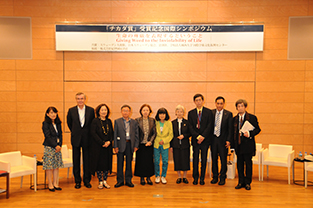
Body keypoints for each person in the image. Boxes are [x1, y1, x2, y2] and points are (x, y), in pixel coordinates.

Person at [66, 92, 95, 189]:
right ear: (76, 100)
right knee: (76, 160)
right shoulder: (71, 110)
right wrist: (76, 132)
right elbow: (69, 123)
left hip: (87, 138)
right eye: (78, 99)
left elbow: (92, 124)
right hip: (76, 138)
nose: (80, 100)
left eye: (82, 98)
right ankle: (77, 181)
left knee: (87, 160)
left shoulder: (91, 110)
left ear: (85, 99)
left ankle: (87, 180)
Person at [232, 99, 261, 191]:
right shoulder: (234, 119)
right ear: (236, 108)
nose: (240, 108)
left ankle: (248, 182)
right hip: (238, 145)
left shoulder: (252, 118)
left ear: (245, 107)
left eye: (242, 106)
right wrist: (232, 146)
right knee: (239, 164)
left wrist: (249, 133)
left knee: (248, 164)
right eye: (238, 106)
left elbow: (257, 130)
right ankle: (241, 182)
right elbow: (232, 133)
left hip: (248, 146)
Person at [188, 93, 213, 185]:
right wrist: (197, 136)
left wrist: (203, 136)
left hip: (205, 140)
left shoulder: (208, 112)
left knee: (203, 160)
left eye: (200, 100)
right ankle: (195, 177)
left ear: (203, 101)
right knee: (195, 160)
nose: (198, 102)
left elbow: (210, 126)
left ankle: (202, 178)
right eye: (196, 100)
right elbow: (190, 127)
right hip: (195, 140)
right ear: (194, 102)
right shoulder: (191, 113)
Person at [114, 105, 139, 188]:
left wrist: (136, 145)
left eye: (127, 111)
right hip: (120, 144)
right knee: (119, 164)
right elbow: (115, 134)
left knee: (129, 163)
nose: (125, 112)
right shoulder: (117, 121)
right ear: (121, 112)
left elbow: (136, 135)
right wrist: (115, 146)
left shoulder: (134, 122)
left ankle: (128, 180)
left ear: (130, 112)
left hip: (130, 144)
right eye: (124, 111)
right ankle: (120, 181)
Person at [210, 96, 233, 186]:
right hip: (213, 139)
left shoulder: (228, 114)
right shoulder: (211, 113)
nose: (219, 105)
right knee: (214, 159)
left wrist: (228, 140)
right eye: (218, 103)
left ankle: (223, 177)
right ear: (215, 103)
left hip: (223, 140)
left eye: (221, 103)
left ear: (224, 104)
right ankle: (215, 176)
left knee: (223, 160)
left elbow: (230, 129)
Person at [90, 104, 113, 189]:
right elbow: (93, 133)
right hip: (98, 147)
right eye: (102, 110)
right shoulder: (95, 121)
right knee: (99, 164)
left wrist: (109, 142)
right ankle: (100, 181)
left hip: (108, 147)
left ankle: (105, 181)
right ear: (98, 111)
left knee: (106, 164)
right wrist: (102, 142)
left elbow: (111, 133)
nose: (104, 112)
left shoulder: (109, 121)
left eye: (105, 110)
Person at [42, 106, 63, 192]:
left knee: (56, 166)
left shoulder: (58, 123)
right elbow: (47, 136)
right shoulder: (45, 124)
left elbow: (60, 135)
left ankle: (55, 183)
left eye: (54, 112)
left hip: (57, 147)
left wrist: (59, 145)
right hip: (49, 147)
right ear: (47, 114)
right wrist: (55, 145)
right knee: (49, 167)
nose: (53, 114)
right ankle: (50, 184)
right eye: (51, 112)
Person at [135, 104, 156, 185]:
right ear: (141, 111)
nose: (145, 112)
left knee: (149, 162)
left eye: (147, 110)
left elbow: (154, 133)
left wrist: (150, 141)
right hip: (140, 144)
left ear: (149, 111)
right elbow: (136, 133)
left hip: (149, 144)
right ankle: (142, 178)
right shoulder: (137, 120)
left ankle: (148, 177)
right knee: (140, 162)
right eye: (144, 110)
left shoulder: (152, 120)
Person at [170, 105, 191, 184]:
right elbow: (171, 135)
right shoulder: (172, 123)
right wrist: (171, 146)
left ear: (183, 113)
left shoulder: (187, 122)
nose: (179, 113)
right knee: (177, 160)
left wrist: (184, 136)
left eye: (181, 111)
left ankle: (185, 177)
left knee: (185, 161)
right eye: (178, 111)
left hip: (185, 145)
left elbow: (190, 133)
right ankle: (179, 177)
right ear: (175, 113)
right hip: (176, 145)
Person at [154, 107, 173, 184]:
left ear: (166, 115)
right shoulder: (155, 122)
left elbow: (171, 135)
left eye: (163, 114)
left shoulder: (169, 123)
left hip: (165, 145)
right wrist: (159, 141)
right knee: (156, 161)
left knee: (165, 161)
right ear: (158, 115)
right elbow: (153, 133)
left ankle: (163, 176)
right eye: (160, 114)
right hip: (156, 144)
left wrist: (164, 141)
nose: (162, 115)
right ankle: (157, 176)